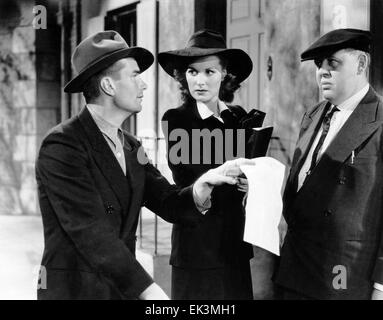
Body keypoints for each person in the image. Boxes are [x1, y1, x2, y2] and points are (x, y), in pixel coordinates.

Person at [35, 30, 252, 300]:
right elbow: (92, 232)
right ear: (108, 86)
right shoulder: (62, 145)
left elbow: (167, 200)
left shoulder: (132, 146)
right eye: (135, 75)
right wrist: (149, 291)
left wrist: (204, 184)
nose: (144, 85)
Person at [274, 28, 383, 300]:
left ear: (361, 64)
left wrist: (381, 286)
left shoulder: (380, 120)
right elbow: (303, 189)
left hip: (344, 276)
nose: (322, 72)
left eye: (333, 63)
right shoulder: (312, 115)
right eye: (318, 65)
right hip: (295, 270)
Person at [158, 29, 265, 300]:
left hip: (234, 246)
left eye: (210, 72)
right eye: (193, 72)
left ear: (225, 75)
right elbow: (189, 176)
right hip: (196, 249)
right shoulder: (176, 119)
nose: (200, 81)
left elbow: (244, 176)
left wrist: (251, 182)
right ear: (184, 76)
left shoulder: (238, 117)